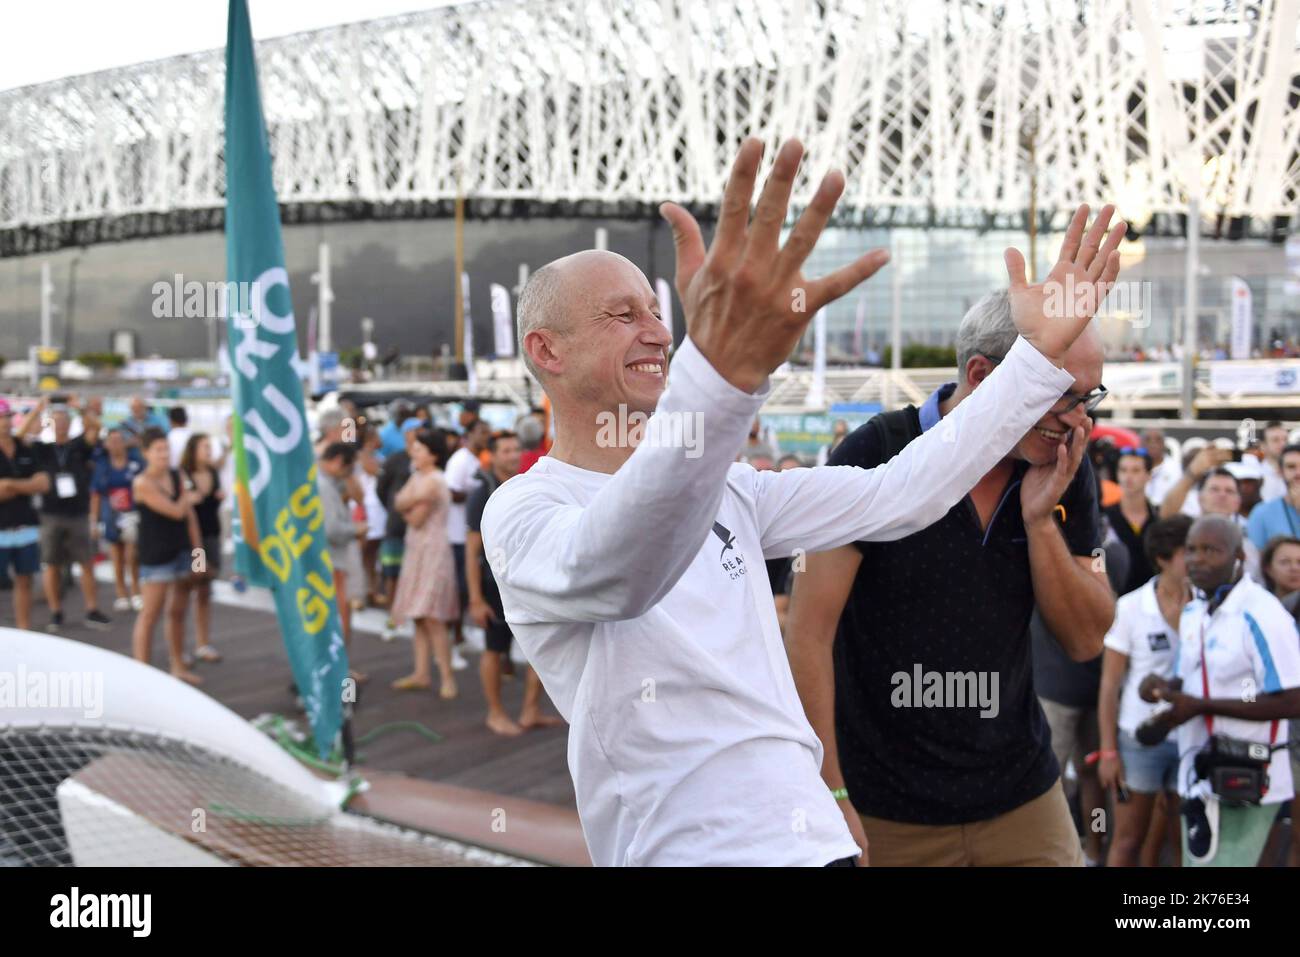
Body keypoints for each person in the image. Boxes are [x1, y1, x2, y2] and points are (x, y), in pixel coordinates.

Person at [481, 137, 1122, 866]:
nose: (659, 331)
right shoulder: (521, 513)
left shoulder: (732, 487)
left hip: (816, 844)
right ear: (547, 351)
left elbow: (900, 493)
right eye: (622, 315)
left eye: (658, 312)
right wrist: (719, 375)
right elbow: (625, 568)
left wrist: (1034, 366)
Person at [1139, 515, 1300, 866]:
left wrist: (1201, 706)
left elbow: (1292, 698)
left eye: (1211, 550)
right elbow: (1189, 680)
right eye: (1192, 550)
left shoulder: (1263, 613)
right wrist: (1162, 689)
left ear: (1238, 557)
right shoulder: (1194, 610)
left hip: (1249, 774)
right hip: (1197, 774)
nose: (1197, 559)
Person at [1097, 515, 1193, 866]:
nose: (1198, 559)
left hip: (1192, 738)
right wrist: (1108, 752)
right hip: (1138, 740)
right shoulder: (1131, 607)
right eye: (1189, 552)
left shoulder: (1208, 607)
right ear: (1165, 558)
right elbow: (1110, 685)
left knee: (1187, 842)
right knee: (1127, 839)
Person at [466, 430, 562, 735]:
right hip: (492, 584)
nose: (512, 455)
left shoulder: (527, 486)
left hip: (527, 580)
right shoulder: (482, 492)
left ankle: (530, 709)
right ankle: (495, 712)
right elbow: (471, 550)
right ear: (492, 455)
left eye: (515, 449)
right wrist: (475, 598)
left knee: (541, 646)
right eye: (505, 450)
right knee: (495, 649)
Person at [21, 399, 109, 632]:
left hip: (78, 512)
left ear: (70, 424)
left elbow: (95, 428)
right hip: (51, 513)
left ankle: (92, 608)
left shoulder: (78, 446)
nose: (60, 426)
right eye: (56, 422)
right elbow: (21, 437)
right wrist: (39, 410)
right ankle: (56, 611)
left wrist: (80, 407)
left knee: (86, 562)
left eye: (64, 421)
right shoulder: (43, 448)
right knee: (51, 564)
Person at [390, 428, 460, 696]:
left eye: (418, 449)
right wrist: (408, 504)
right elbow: (398, 503)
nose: (413, 453)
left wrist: (405, 505)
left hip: (432, 551)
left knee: (432, 616)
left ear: (432, 454)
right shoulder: (419, 477)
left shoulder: (433, 480)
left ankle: (446, 677)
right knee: (418, 616)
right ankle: (421, 673)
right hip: (417, 550)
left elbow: (413, 517)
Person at [131, 428, 203, 686]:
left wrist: (198, 554)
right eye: (158, 450)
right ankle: (141, 671)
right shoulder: (142, 482)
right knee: (151, 612)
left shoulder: (176, 475)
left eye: (166, 449)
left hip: (181, 550)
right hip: (156, 555)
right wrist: (188, 496)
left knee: (178, 611)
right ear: (146, 453)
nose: (164, 454)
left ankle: (177, 665)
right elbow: (175, 511)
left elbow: (190, 518)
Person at [318, 441, 367, 683]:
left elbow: (359, 496)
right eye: (348, 469)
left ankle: (337, 669)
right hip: (332, 562)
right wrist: (357, 529)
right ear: (338, 461)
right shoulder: (323, 486)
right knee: (340, 617)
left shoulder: (324, 481)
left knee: (335, 618)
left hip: (328, 561)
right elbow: (332, 529)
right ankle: (337, 672)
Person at [0, 399, 49, 631]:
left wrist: (11, 485)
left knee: (25, 579)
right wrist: (26, 485)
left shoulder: (24, 448)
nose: (5, 422)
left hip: (25, 526)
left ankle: (24, 629)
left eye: (7, 417)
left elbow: (43, 483)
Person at [445, 417, 490, 667]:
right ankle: (451, 642)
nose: (486, 436)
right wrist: (477, 495)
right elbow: (450, 491)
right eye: (482, 432)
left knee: (466, 589)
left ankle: (460, 635)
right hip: (456, 534)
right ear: (469, 434)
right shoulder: (460, 460)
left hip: (471, 534)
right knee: (458, 591)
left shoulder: (478, 459)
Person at [180, 433, 224, 664]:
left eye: (210, 446)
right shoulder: (183, 474)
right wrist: (189, 500)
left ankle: (202, 642)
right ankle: (181, 646)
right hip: (193, 540)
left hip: (212, 535)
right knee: (187, 588)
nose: (208, 451)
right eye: (205, 447)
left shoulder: (213, 472)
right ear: (193, 449)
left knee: (206, 590)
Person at [89, 428, 144, 613]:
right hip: (110, 515)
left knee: (132, 554)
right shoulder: (102, 465)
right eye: (111, 441)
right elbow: (96, 494)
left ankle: (136, 591)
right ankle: (121, 593)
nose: (115, 444)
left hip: (131, 513)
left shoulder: (135, 463)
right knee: (116, 556)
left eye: (119, 440)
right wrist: (94, 521)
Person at [377, 418, 422, 639]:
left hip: (420, 529)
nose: (419, 434)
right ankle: (393, 619)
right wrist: (394, 509)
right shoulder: (395, 460)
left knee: (415, 576)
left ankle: (410, 617)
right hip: (396, 526)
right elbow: (381, 488)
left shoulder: (428, 459)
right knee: (392, 575)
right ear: (405, 435)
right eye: (414, 431)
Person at [1105, 447, 1157, 595]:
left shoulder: (1158, 518)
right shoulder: (1104, 518)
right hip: (1114, 601)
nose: (1128, 476)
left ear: (1148, 475)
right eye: (1123, 470)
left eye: (1135, 471)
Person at [356, 427, 388, 608]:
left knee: (371, 554)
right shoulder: (363, 456)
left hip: (376, 509)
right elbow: (376, 472)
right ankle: (359, 594)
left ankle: (372, 591)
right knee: (362, 552)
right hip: (367, 509)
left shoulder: (377, 456)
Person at [1246, 444, 1300, 552]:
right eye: (1291, 467)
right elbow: (1255, 562)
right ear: (1280, 471)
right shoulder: (1262, 513)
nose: (1298, 473)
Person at [1143, 428, 1181, 507]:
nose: (1153, 444)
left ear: (1164, 443)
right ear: (1141, 443)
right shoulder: (1135, 468)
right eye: (1148, 440)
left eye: (1158, 440)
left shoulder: (1176, 469)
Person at [1259, 422, 1291, 503]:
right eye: (1275, 440)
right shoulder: (1256, 476)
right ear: (1263, 446)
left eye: (1285, 439)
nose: (1283, 444)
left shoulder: (1296, 474)